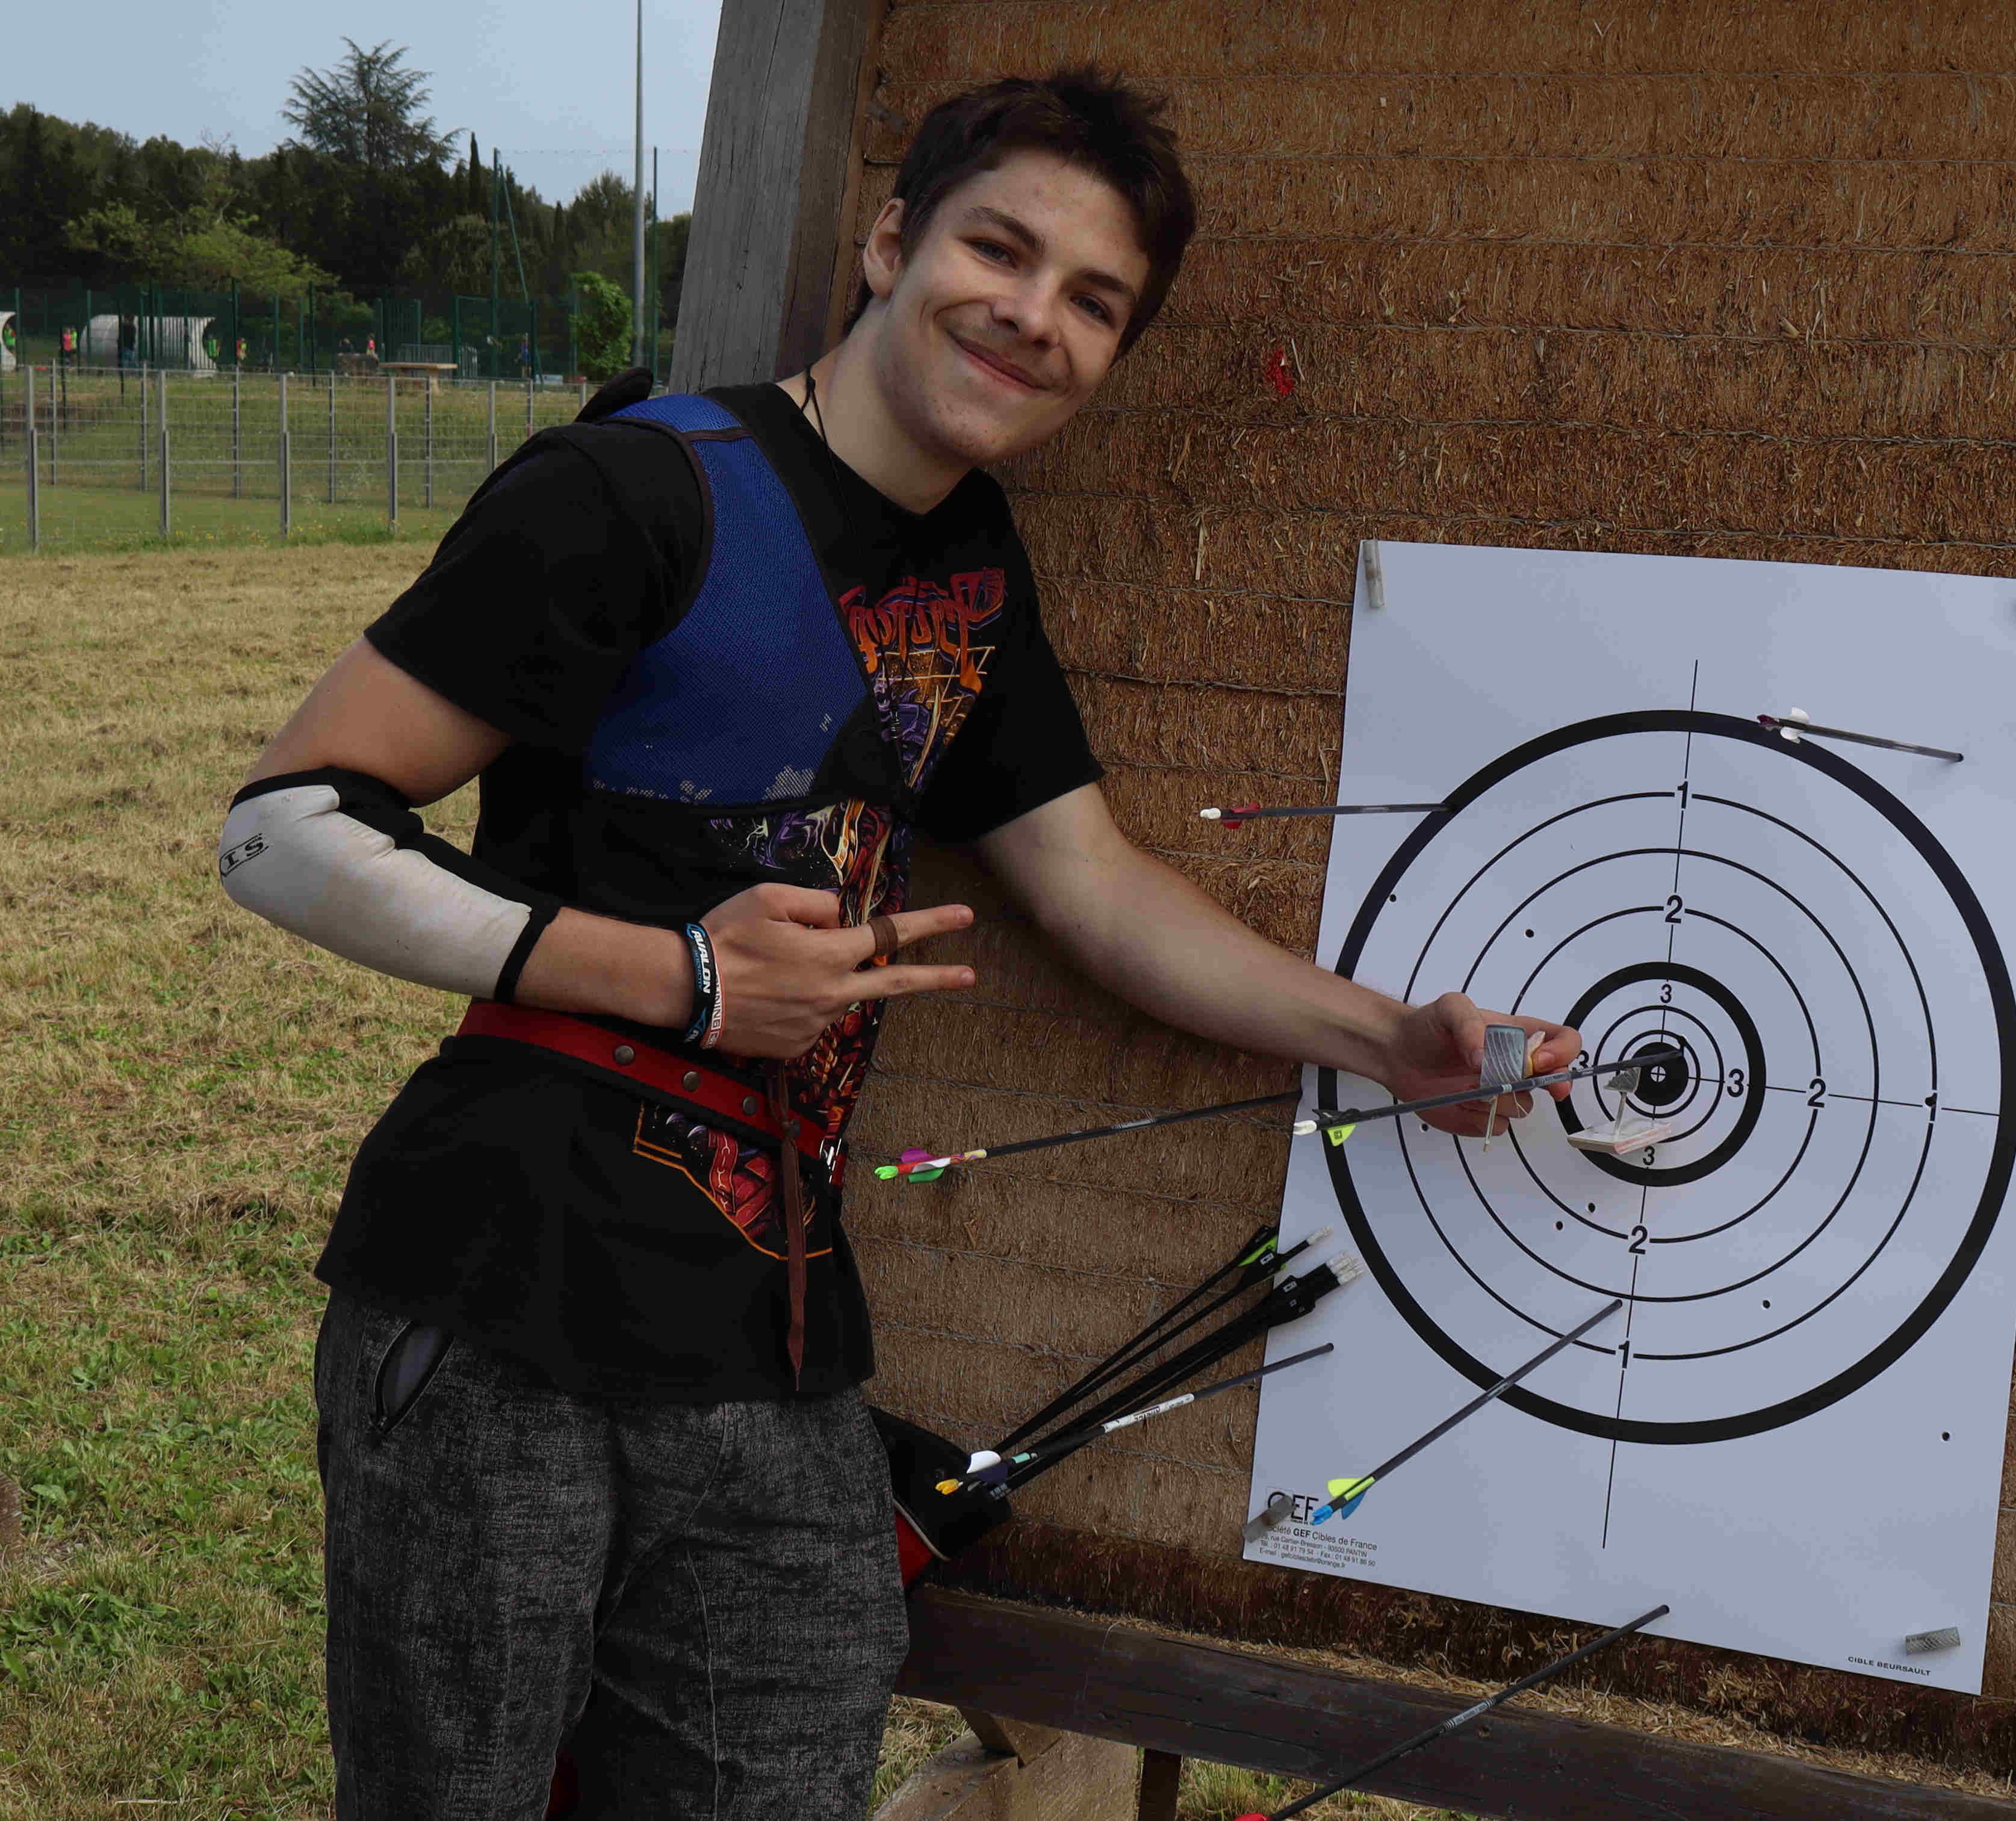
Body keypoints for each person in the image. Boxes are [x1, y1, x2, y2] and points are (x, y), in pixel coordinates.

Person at [219, 68, 1583, 1819]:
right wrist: (689, 977)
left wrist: (1384, 1038)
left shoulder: (971, 570)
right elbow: (285, 828)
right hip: (501, 1299)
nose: (1032, 316)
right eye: (998, 251)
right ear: (888, 243)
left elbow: (1085, 880)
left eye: (1094, 300)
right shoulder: (633, 492)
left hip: (764, 1328)